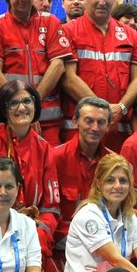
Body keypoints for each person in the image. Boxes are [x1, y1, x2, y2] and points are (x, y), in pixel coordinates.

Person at [0, 80, 59, 257]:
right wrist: (11, 228)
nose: (22, 108)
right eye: (14, 103)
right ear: (4, 109)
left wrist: (40, 235)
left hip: (33, 236)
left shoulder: (44, 148)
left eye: (27, 101)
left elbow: (51, 208)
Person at [0, 0, 71, 141]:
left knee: (47, 167)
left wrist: (31, 105)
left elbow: (58, 66)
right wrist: (22, 107)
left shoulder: (51, 22)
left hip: (49, 121)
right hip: (10, 119)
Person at [60, 0, 137, 146]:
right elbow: (68, 78)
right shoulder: (68, 31)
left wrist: (121, 108)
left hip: (119, 131)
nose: (102, 1)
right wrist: (102, 111)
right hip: (80, 130)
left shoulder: (131, 36)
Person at [51, 97, 112, 246]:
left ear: (108, 126)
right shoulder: (54, 158)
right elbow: (49, 212)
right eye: (89, 121)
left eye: (101, 122)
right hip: (64, 239)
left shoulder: (114, 163)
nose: (95, 128)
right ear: (75, 121)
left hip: (103, 238)